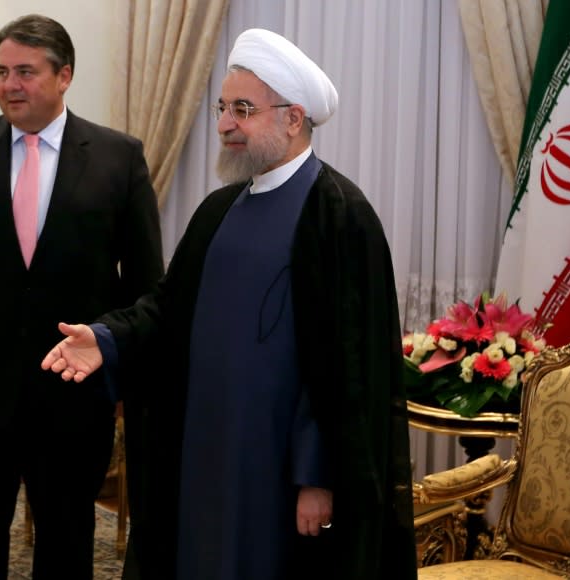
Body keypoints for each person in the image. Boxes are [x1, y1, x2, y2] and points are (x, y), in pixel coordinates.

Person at [42, 28, 416, 580]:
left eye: (243, 109)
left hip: (280, 474)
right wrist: (106, 340)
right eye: (223, 107)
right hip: (202, 454)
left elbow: (350, 369)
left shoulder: (339, 215)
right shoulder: (218, 210)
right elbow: (168, 311)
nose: (224, 125)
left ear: (293, 118)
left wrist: (318, 477)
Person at [0, 14, 163, 580]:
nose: (9, 85)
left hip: (74, 391)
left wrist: (126, 374)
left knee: (68, 538)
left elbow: (146, 285)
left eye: (25, 71)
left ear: (64, 75)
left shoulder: (119, 157)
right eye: (2, 71)